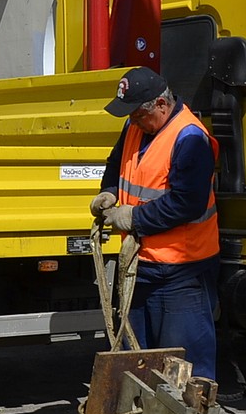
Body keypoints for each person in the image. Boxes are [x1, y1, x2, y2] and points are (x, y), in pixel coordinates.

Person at [89, 67, 220, 381]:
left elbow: (186, 203)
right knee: (139, 368)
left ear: (161, 105)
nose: (133, 121)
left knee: (183, 373)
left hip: (181, 272)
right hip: (142, 267)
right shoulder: (136, 125)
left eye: (137, 115)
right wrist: (108, 193)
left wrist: (134, 218)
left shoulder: (190, 137)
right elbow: (115, 164)